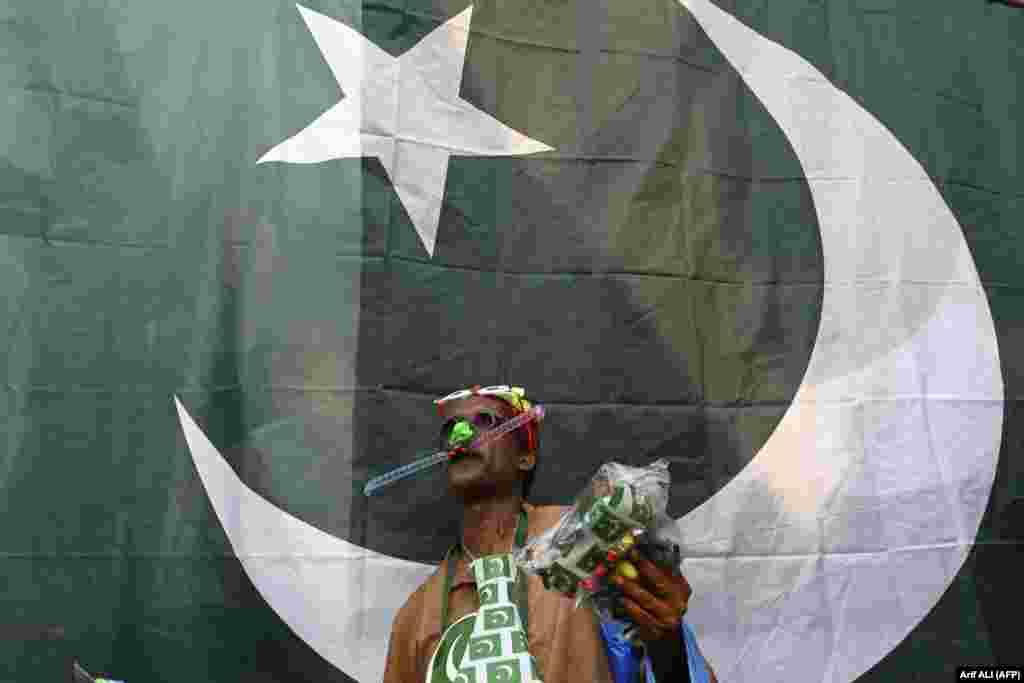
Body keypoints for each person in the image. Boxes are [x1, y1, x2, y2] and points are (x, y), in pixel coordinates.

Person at [383, 385, 717, 683]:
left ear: (526, 456)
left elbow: (664, 660)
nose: (462, 433)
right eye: (450, 429)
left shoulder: (584, 539)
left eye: (485, 420)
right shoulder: (415, 618)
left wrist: (667, 641)